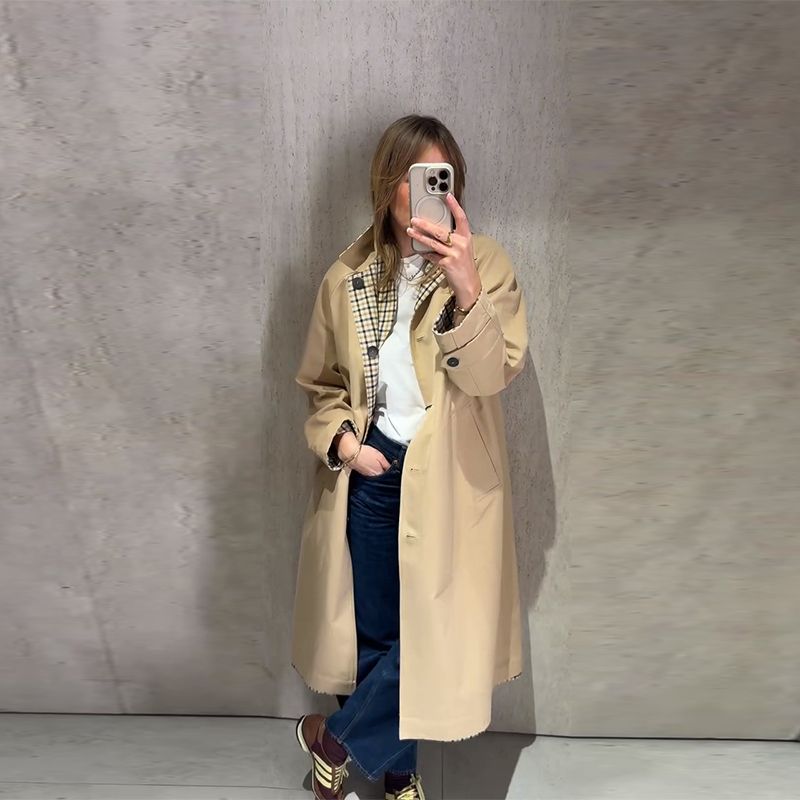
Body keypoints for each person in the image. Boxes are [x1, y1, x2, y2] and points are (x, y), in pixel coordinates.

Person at [292, 114, 529, 800]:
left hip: (450, 479)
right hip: (373, 472)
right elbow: (321, 384)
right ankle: (399, 777)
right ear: (387, 183)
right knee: (375, 635)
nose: (428, 190)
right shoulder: (347, 276)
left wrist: (467, 288)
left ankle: (331, 740)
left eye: (441, 177)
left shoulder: (485, 263)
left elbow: (492, 375)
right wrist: (346, 446)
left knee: (432, 637)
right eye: (415, 176)